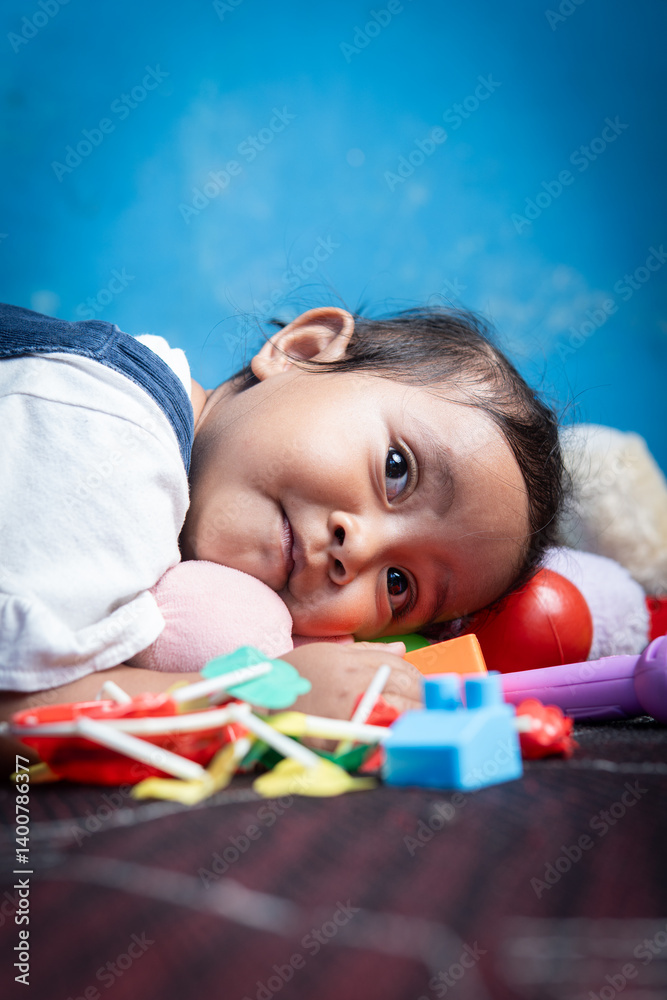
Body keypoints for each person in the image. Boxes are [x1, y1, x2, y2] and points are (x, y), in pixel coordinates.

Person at [0, 301, 564, 751]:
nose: (358, 548)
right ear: (303, 350)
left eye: (399, 584)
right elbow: (21, 714)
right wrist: (263, 703)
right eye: (397, 469)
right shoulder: (107, 431)